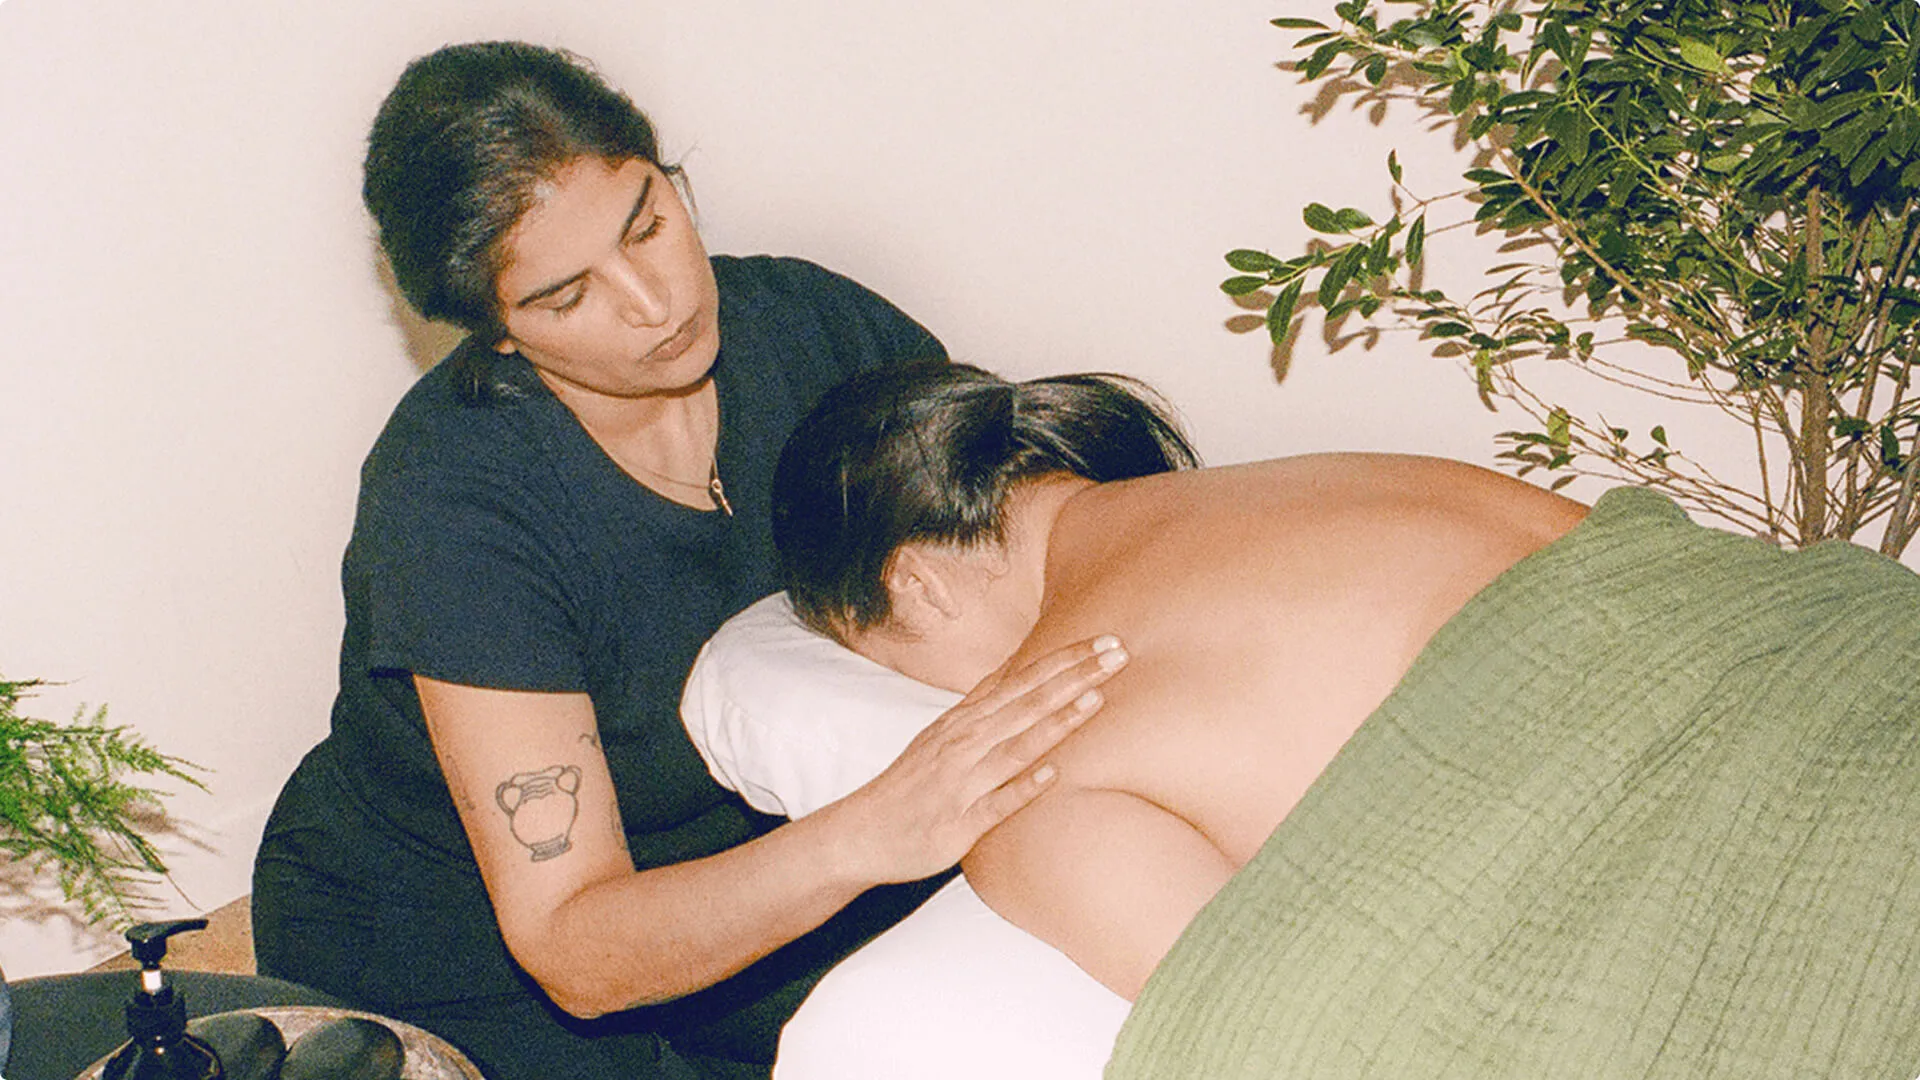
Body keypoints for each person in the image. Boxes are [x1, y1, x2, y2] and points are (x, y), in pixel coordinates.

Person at [251, 44, 1128, 1080]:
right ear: (496, 335)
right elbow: (573, 946)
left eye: (649, 224)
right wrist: (877, 829)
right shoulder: (455, 509)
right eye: (568, 296)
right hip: (463, 941)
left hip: (752, 848)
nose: (655, 304)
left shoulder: (812, 325)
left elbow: (1028, 545)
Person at [771, 359, 1589, 1000]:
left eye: (878, 654)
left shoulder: (1035, 778)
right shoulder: (1351, 472)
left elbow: (1298, 1035)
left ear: (916, 585)